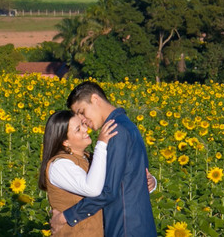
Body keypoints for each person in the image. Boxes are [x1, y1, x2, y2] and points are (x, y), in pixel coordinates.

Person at [50, 81, 157, 237]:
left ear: (95, 99)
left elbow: (108, 191)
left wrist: (66, 217)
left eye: (81, 111)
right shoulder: (127, 124)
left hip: (125, 227)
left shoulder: (116, 131)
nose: (82, 120)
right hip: (138, 224)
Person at [38, 109, 119, 236]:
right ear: (65, 142)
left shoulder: (89, 158)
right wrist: (101, 144)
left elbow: (115, 183)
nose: (85, 129)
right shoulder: (59, 165)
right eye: (78, 129)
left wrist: (150, 181)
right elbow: (93, 189)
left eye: (83, 124)